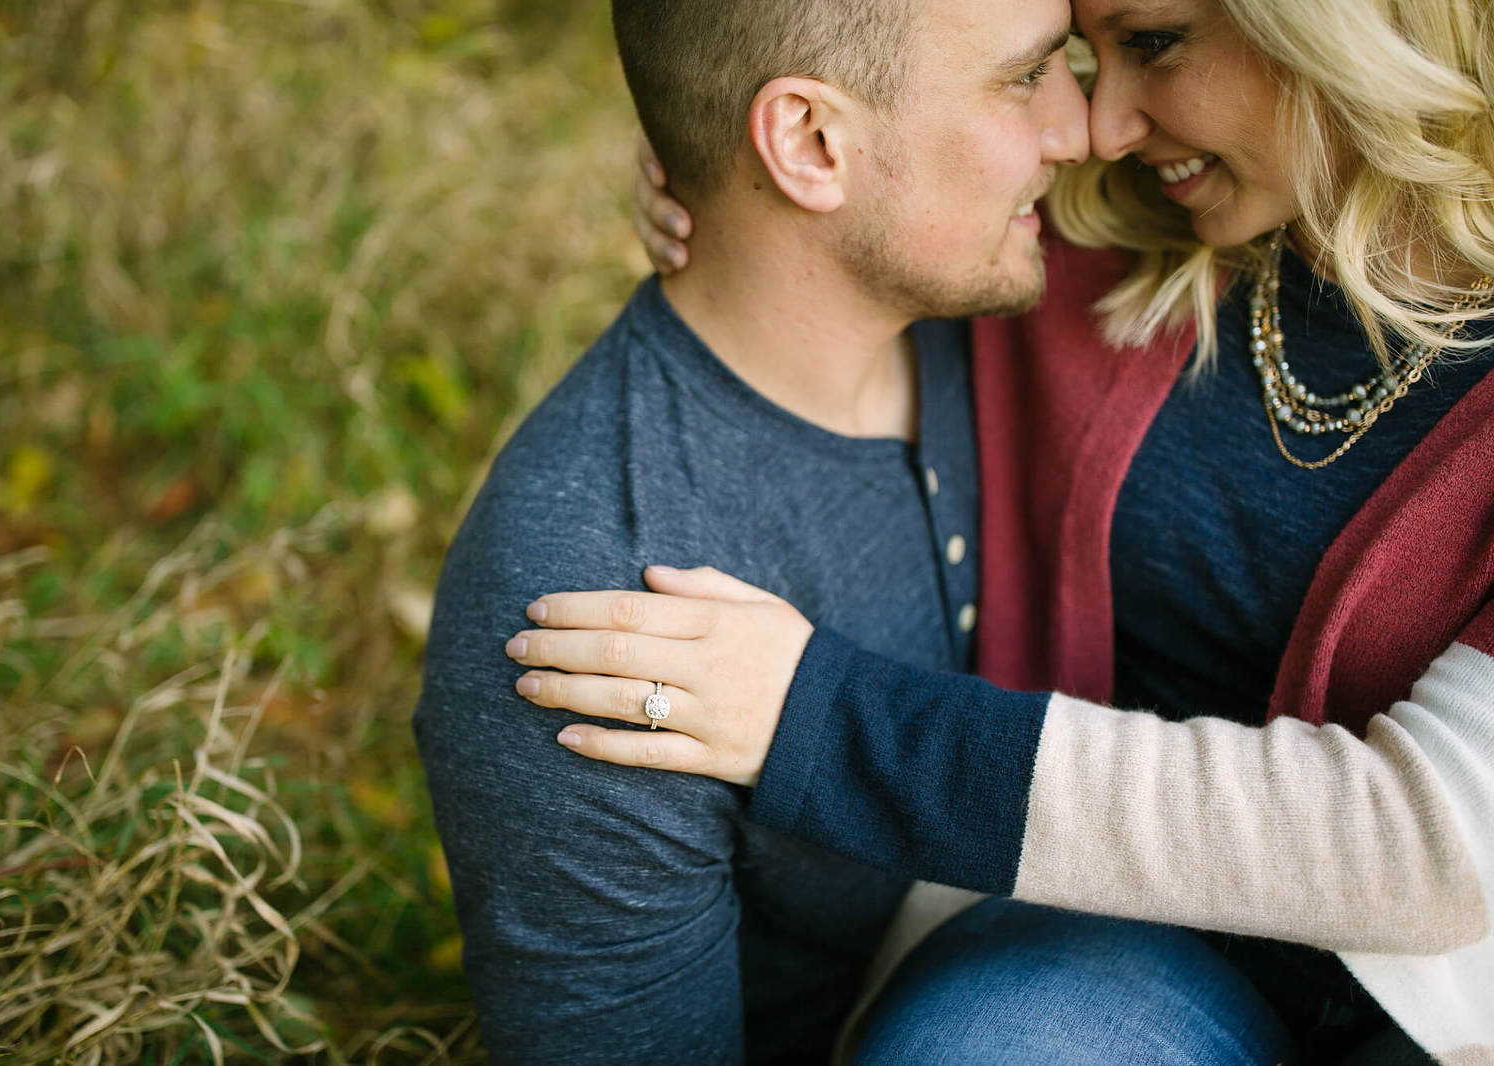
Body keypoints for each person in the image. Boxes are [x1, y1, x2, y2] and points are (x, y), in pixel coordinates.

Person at [501, 0, 1494, 1061]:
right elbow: (860, 172)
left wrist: (820, 721)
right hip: (1101, 955)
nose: (1102, 127)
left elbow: (1434, 844)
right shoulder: (1097, 232)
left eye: (1154, 44)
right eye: (1071, 57)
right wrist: (735, 184)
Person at [411, 0, 1092, 1061]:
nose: (1081, 130)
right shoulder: (596, 609)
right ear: (810, 144)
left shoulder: (1007, 307)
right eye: (1025, 79)